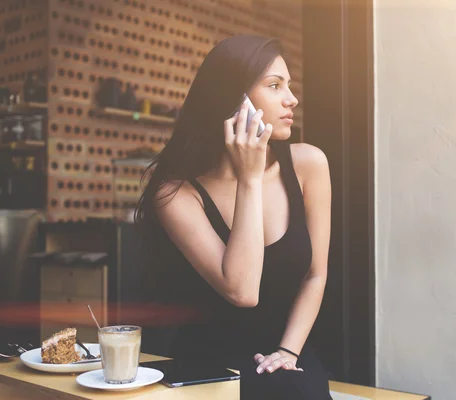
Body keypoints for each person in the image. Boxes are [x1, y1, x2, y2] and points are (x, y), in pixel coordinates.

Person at [136, 34, 333, 400]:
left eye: (289, 86)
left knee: (292, 388)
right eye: (275, 86)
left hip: (290, 356)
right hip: (210, 367)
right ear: (233, 100)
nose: (292, 99)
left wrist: (288, 352)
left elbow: (315, 274)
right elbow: (242, 291)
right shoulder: (175, 192)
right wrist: (250, 178)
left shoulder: (309, 164)